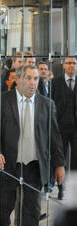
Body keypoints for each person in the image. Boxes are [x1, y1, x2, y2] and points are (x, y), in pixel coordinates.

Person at [0, 65, 65, 226]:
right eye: (29, 78)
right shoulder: (2, 101)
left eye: (36, 79)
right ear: (19, 80)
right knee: (3, 206)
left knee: (32, 209)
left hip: (34, 165)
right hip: (9, 164)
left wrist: (59, 165)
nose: (33, 83)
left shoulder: (46, 104)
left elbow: (55, 137)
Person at [51, 56, 77, 200]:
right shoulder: (55, 82)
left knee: (75, 160)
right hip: (60, 127)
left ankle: (73, 188)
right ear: (64, 66)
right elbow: (52, 103)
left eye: (74, 63)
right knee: (61, 159)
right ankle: (61, 188)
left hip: (75, 128)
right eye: (68, 63)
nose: (71, 65)